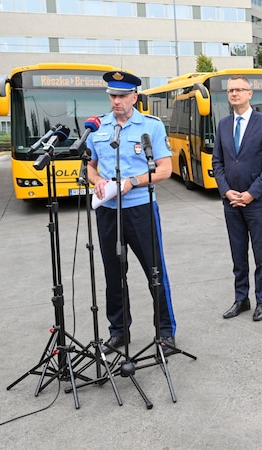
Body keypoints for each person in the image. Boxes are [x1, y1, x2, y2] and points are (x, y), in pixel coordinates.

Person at [86, 70, 178, 355]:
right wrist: (98, 180)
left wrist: (134, 181)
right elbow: (89, 165)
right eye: (113, 96)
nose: (116, 101)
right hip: (108, 212)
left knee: (155, 272)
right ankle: (118, 331)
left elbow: (165, 169)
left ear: (134, 97)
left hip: (140, 209)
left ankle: (165, 333)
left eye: (122, 96)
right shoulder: (98, 127)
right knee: (114, 275)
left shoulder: (150, 127)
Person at [212, 75, 262, 322]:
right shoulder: (223, 124)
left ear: (250, 93)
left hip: (257, 202)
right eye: (230, 90)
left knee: (261, 255)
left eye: (239, 89)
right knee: (238, 254)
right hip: (231, 201)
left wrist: (252, 193)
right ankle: (242, 299)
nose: (234, 94)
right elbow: (217, 161)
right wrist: (226, 190)